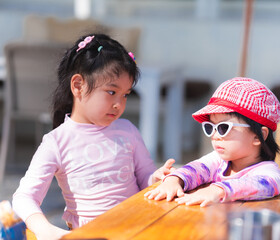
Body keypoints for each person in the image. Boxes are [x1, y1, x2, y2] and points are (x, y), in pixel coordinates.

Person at [12, 34, 175, 240]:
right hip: (91, 235)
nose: (119, 104)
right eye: (111, 92)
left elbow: (145, 177)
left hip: (137, 229)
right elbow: (23, 197)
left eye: (125, 94)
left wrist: (157, 178)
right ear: (78, 85)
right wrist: (45, 230)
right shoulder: (57, 142)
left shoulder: (127, 130)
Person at [145, 77, 280, 207]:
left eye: (224, 127)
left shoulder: (268, 171)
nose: (215, 135)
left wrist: (218, 190)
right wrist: (174, 180)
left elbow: (268, 184)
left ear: (258, 136)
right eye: (210, 127)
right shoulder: (218, 160)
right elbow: (197, 168)